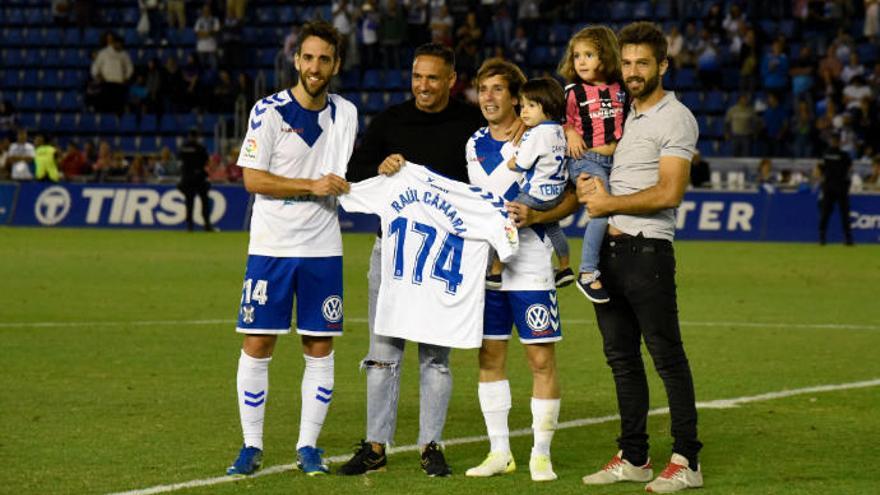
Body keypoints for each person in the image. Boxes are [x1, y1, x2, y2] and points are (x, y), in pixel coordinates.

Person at [339, 42, 485, 477]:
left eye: (433, 78)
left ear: (451, 80)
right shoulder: (390, 121)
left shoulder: (471, 125)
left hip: (443, 260)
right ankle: (375, 446)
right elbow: (352, 177)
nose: (423, 86)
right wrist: (380, 167)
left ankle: (430, 445)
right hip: (392, 257)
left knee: (435, 359)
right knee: (382, 354)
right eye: (417, 77)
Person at [575, 22, 704, 493]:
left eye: (642, 63)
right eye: (627, 62)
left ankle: (687, 460)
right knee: (622, 360)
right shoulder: (622, 114)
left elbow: (669, 192)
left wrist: (608, 204)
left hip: (647, 249)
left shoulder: (676, 117)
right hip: (608, 250)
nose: (632, 71)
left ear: (663, 66)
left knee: (667, 357)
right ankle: (634, 457)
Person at [225, 20, 357, 477]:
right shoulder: (269, 110)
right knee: (258, 342)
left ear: (335, 64)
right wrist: (312, 185)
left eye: (324, 59)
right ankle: (251, 445)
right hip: (272, 246)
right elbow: (252, 178)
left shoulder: (346, 113)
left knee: (319, 346)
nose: (315, 67)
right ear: (295, 60)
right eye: (308, 57)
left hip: (323, 246)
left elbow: (345, 175)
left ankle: (308, 446)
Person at [463, 58, 563, 482]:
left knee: (539, 358)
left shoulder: (543, 136)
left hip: (533, 261)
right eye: (483, 89)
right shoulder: (472, 144)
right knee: (490, 356)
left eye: (497, 89)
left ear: (516, 96)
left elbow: (572, 197)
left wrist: (536, 218)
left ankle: (541, 453)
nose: (488, 97)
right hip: (486, 266)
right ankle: (499, 451)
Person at [557, 25, 626, 303]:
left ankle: (615, 271)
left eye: (589, 54)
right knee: (600, 209)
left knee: (619, 217)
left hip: (617, 162)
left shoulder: (621, 89)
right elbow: (557, 121)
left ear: (606, 56)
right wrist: (570, 131)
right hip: (586, 159)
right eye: (576, 56)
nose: (581, 61)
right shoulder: (573, 91)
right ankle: (587, 273)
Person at [485, 78, 570, 290]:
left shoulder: (536, 133)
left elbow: (521, 164)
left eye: (531, 106)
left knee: (507, 222)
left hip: (535, 194)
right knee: (554, 228)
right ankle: (566, 267)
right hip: (556, 194)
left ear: (548, 106)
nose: (524, 112)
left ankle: (495, 271)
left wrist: (512, 162)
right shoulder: (560, 130)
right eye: (522, 106)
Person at [818, 132, 854, 245]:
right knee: (844, 213)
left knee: (826, 212)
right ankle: (847, 239)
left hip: (829, 186)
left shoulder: (825, 154)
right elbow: (850, 168)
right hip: (840, 186)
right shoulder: (844, 155)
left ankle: (822, 238)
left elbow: (820, 169)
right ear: (839, 142)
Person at [177, 129, 213, 232]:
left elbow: (180, 159)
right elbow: (206, 161)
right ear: (197, 136)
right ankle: (207, 225)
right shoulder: (200, 148)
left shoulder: (183, 148)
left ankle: (190, 226)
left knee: (189, 203)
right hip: (200, 178)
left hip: (187, 178)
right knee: (204, 202)